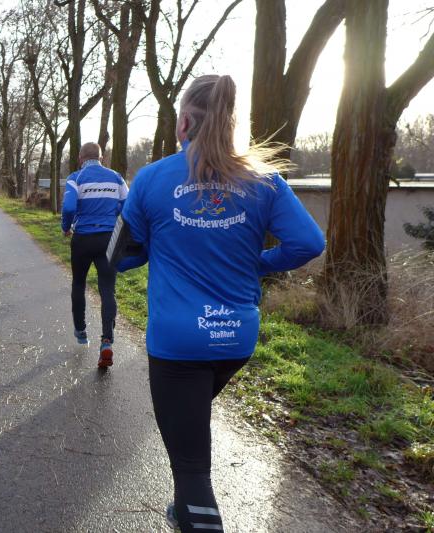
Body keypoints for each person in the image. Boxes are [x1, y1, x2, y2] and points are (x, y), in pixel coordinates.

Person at [118, 75, 325, 532]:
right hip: (236, 339)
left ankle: (194, 511)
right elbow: (309, 243)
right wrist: (257, 264)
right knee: (188, 426)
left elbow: (121, 256)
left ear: (184, 123)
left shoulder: (151, 179)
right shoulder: (264, 180)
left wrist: (148, 248)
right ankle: (184, 509)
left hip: (178, 343)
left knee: (192, 468)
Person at [61, 142, 128, 367]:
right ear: (101, 157)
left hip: (82, 238)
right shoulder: (116, 178)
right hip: (108, 239)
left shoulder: (75, 178)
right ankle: (107, 341)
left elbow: (69, 207)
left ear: (81, 158)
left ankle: (81, 331)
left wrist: (66, 227)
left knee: (79, 283)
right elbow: (128, 205)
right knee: (107, 289)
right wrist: (114, 217)